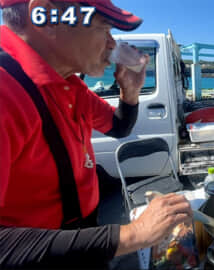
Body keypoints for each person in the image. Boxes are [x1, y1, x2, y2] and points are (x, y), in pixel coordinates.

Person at [0, 0, 192, 268]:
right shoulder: (6, 91)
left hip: (85, 238)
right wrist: (132, 234)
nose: (113, 44)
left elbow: (118, 127)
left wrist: (131, 91)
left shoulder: (68, 84)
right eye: (105, 29)